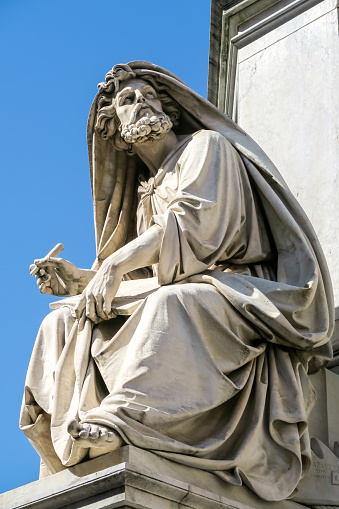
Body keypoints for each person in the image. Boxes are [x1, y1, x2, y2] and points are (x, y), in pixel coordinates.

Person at [20, 61, 334, 501]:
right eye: (127, 100)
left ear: (168, 106)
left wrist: (113, 268)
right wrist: (81, 281)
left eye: (148, 95)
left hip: (239, 289)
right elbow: (149, 273)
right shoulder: (146, 188)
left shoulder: (207, 148)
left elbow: (196, 230)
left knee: (171, 307)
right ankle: (68, 447)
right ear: (115, 130)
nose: (142, 102)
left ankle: (120, 420)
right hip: (182, 287)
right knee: (58, 326)